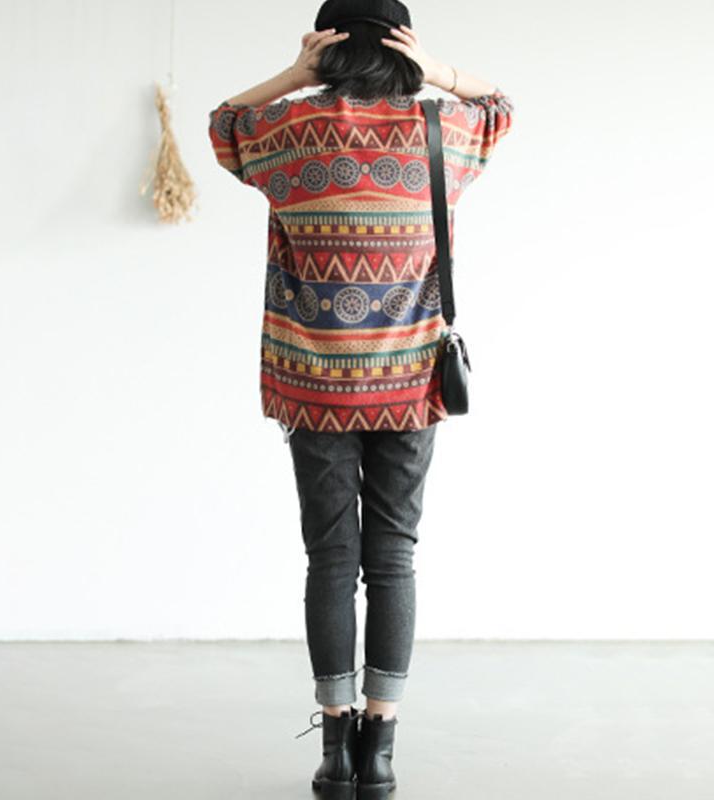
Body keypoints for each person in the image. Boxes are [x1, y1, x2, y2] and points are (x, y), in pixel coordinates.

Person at [207, 1, 514, 796]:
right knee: (394, 558)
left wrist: (294, 75)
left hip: (314, 384)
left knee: (331, 560)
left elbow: (223, 124)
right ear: (401, 48)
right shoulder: (442, 131)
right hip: (409, 385)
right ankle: (380, 750)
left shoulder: (289, 132)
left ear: (327, 48)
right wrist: (438, 70)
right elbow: (500, 106)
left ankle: (335, 744)